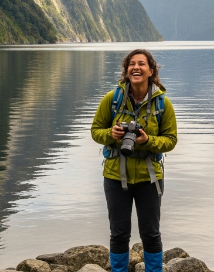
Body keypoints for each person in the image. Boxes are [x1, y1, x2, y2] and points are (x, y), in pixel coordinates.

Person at [91, 49, 177, 272]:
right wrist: (111, 134)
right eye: (131, 64)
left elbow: (170, 140)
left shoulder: (162, 104)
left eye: (141, 64)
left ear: (151, 71)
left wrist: (147, 141)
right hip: (115, 175)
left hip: (149, 177)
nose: (136, 67)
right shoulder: (112, 99)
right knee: (119, 233)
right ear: (126, 70)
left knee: (151, 233)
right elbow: (95, 131)